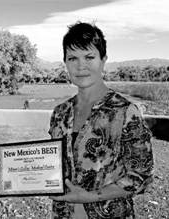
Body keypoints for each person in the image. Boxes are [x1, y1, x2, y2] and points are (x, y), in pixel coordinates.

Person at [48, 21, 154, 219]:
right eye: (72, 58)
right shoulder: (60, 114)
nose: (81, 66)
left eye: (89, 57)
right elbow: (52, 166)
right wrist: (16, 175)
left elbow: (141, 177)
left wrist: (88, 196)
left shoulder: (125, 111)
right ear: (65, 63)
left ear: (103, 60)